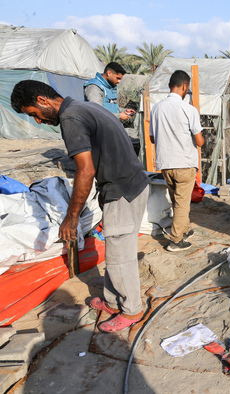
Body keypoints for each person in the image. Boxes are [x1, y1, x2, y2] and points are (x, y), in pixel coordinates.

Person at [11, 80, 149, 333]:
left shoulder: (70, 118)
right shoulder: (85, 108)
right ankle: (111, 300)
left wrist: (71, 217)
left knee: (120, 257)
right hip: (129, 183)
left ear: (42, 100)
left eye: (34, 115)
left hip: (122, 190)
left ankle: (131, 310)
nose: (39, 121)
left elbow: (86, 169)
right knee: (115, 250)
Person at [150, 70, 205, 252]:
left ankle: (184, 229)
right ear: (185, 87)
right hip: (184, 163)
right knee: (182, 202)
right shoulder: (189, 109)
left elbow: (152, 138)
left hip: (165, 164)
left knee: (176, 200)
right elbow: (199, 141)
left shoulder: (156, 108)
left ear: (169, 86)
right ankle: (175, 240)